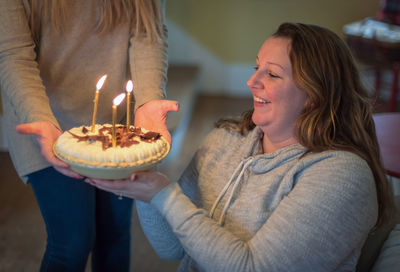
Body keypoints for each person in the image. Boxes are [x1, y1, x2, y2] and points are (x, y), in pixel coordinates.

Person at [86, 22, 395, 271]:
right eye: (256, 67)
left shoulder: (340, 176)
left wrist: (164, 195)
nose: (252, 82)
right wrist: (144, 179)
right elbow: (171, 248)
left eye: (272, 74)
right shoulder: (227, 139)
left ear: (315, 94)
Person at [0, 0, 178, 271]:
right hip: (43, 122)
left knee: (115, 233)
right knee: (72, 242)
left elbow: (148, 35)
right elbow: (13, 54)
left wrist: (148, 101)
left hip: (115, 126)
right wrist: (39, 117)